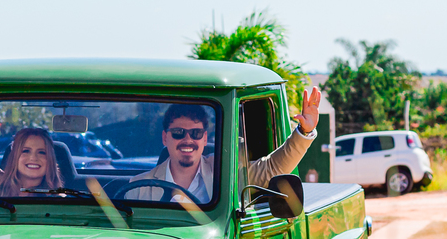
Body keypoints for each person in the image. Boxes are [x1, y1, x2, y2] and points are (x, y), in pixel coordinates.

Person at [126, 87, 322, 203]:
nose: (187, 140)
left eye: (195, 133)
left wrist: (303, 132)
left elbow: (272, 168)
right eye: (178, 133)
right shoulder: (139, 187)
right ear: (165, 138)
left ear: (204, 139)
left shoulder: (225, 173)